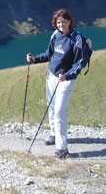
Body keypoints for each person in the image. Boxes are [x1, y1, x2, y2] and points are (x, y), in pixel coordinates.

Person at [26, 9, 85, 159]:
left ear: (69, 22)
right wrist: (35, 59)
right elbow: (49, 54)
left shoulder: (76, 39)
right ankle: (54, 133)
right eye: (58, 22)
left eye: (63, 22)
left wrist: (68, 75)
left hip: (65, 80)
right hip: (52, 76)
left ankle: (62, 148)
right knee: (51, 106)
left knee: (59, 111)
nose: (61, 25)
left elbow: (80, 63)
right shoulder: (55, 35)